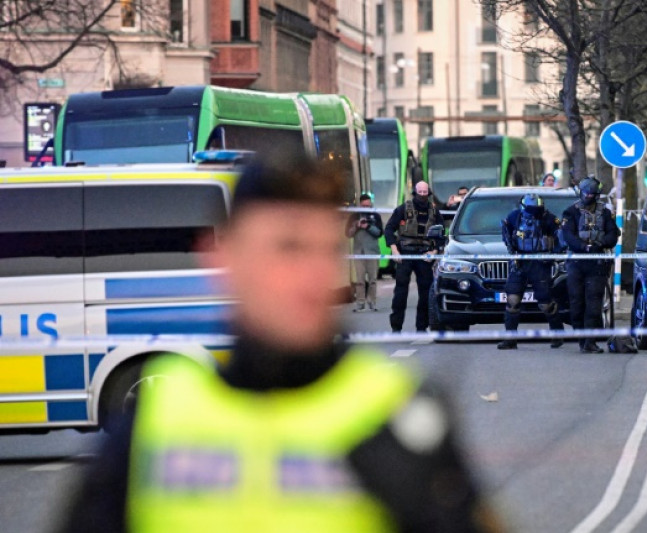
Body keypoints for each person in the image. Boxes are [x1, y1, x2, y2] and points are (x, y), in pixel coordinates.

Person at [55, 150, 501, 533]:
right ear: (223, 257)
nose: (314, 275)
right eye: (288, 248)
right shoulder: (157, 424)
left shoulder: (397, 418)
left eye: (325, 249)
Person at [497, 193, 565, 350]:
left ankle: (557, 333)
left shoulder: (549, 219)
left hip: (540, 263)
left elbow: (561, 239)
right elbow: (506, 234)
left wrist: (552, 254)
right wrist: (512, 250)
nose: (533, 212)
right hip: (519, 261)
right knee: (512, 300)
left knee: (545, 303)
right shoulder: (515, 217)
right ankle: (510, 339)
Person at [560, 176, 619, 353]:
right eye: (585, 193)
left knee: (594, 304)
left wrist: (599, 245)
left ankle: (590, 341)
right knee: (577, 303)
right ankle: (581, 337)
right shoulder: (571, 212)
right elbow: (568, 236)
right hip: (577, 263)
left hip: (597, 263)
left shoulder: (605, 213)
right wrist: (583, 247)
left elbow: (613, 235)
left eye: (592, 194)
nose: (588, 197)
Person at [385, 180, 445, 333]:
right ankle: (396, 327)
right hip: (405, 252)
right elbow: (389, 229)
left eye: (426, 193)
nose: (423, 196)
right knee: (400, 292)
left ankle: (421, 327)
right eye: (420, 193)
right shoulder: (403, 209)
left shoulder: (434, 211)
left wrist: (435, 252)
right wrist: (394, 250)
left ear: (429, 193)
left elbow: (441, 234)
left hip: (424, 254)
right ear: (415, 192)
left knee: (426, 292)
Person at [347, 192, 383, 312]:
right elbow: (348, 234)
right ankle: (360, 303)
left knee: (373, 279)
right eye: (364, 206)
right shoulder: (354, 216)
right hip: (359, 252)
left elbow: (379, 233)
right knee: (360, 280)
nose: (366, 209)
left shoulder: (375, 216)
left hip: (372, 252)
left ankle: (372, 302)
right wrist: (357, 225)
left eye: (368, 206)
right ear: (360, 205)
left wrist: (368, 226)